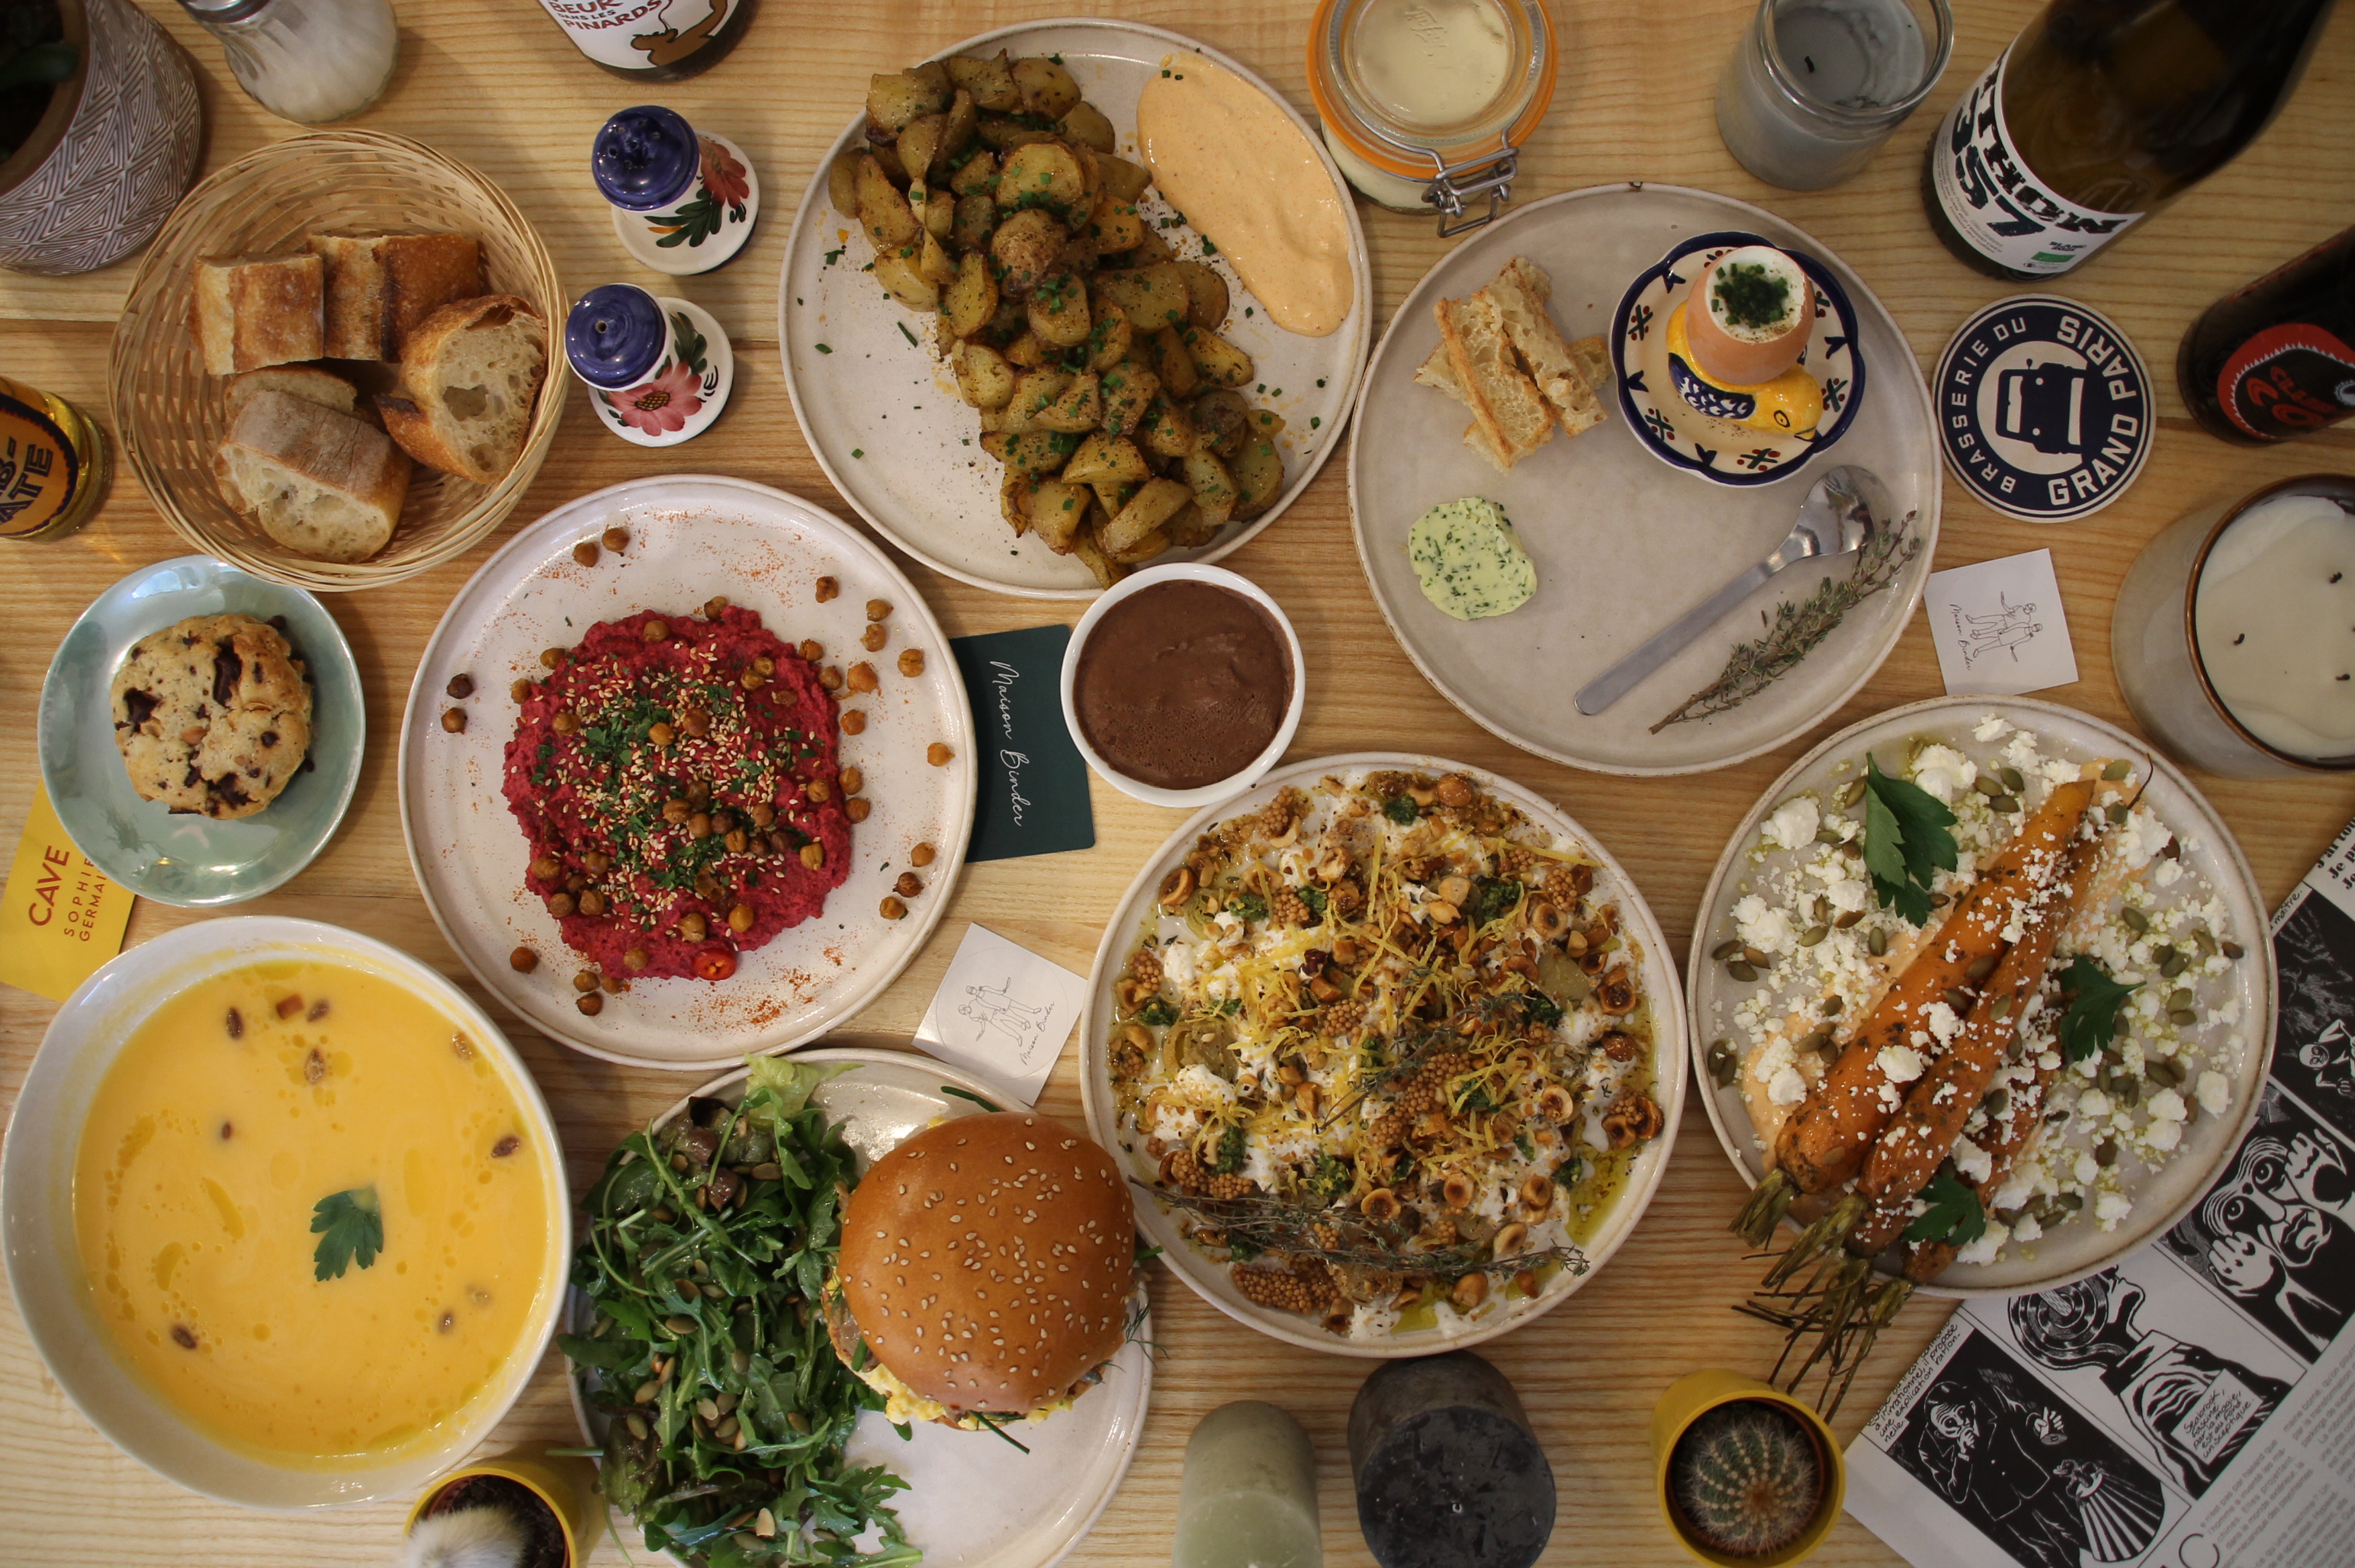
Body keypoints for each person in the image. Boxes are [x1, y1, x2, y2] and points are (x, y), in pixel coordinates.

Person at [2010, 1272, 2287, 1492]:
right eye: (2094, 1279)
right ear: (2077, 1320)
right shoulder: (2160, 1391)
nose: (2111, 1271)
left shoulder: (2157, 1376)